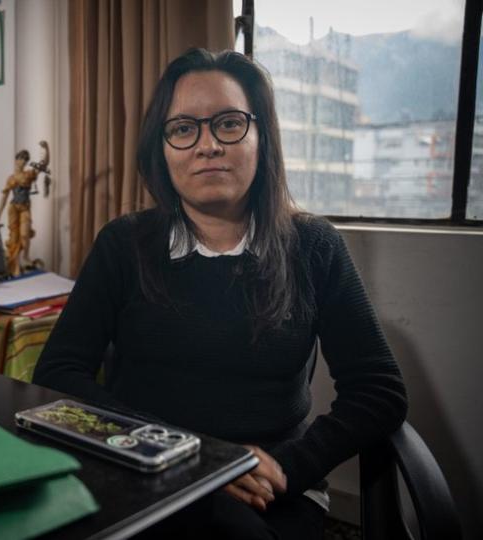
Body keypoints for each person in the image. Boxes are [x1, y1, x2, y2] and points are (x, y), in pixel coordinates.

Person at [32, 48, 407, 539]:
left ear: (261, 138)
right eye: (184, 129)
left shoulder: (315, 247)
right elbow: (58, 371)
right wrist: (192, 459)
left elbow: (379, 389)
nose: (206, 145)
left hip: (271, 481)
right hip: (147, 468)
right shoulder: (124, 244)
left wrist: (291, 464)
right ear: (161, 150)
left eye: (228, 124)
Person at [0, 142, 50, 276]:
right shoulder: (11, 179)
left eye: (25, 160)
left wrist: (46, 148)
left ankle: (26, 256)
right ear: (16, 160)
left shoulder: (29, 175)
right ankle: (14, 266)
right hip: (13, 208)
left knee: (25, 234)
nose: (23, 162)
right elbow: (4, 197)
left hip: (24, 208)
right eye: (21, 159)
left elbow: (44, 164)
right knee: (13, 238)